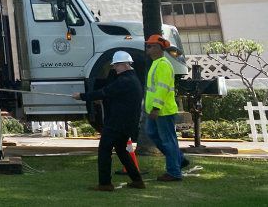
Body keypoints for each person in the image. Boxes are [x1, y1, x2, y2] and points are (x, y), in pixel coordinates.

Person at [73, 50, 146, 191]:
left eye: (116, 65)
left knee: (104, 149)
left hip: (117, 122)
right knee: (121, 150)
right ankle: (137, 180)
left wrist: (81, 96)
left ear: (125, 64)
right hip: (126, 122)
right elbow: (115, 95)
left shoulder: (125, 80)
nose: (114, 68)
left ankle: (105, 183)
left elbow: (105, 92)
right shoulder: (133, 79)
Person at [144, 34, 185, 182]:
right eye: (147, 45)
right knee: (153, 134)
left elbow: (162, 89)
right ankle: (179, 159)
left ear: (158, 48)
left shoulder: (163, 64)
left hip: (162, 111)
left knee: (168, 141)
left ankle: (174, 172)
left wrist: (155, 108)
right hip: (157, 110)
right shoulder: (157, 63)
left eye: (150, 46)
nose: (147, 48)